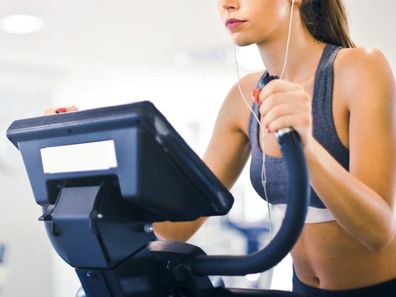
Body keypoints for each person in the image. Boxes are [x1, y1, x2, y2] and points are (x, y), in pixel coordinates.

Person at [47, 0, 396, 295]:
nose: (226, 3)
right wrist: (84, 156)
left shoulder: (358, 68)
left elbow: (377, 231)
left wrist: (305, 144)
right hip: (301, 287)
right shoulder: (244, 99)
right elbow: (176, 225)